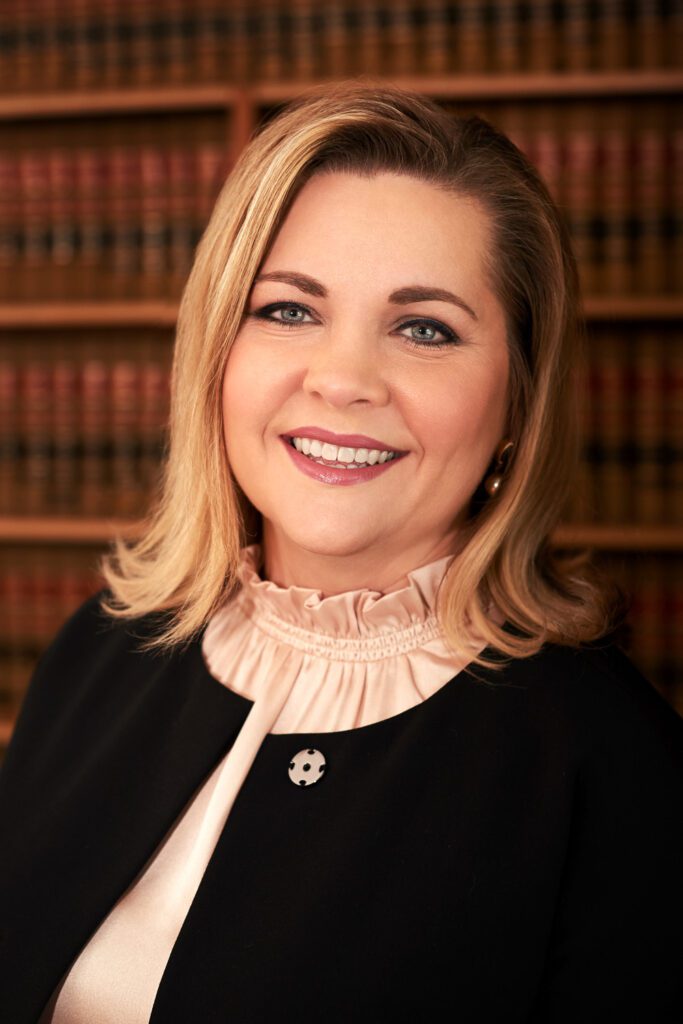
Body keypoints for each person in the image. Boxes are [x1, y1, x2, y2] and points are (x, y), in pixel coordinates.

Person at [0, 83, 681, 1024]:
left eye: (424, 328)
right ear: (216, 353)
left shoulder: (617, 771)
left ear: (520, 402)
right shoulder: (99, 649)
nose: (343, 380)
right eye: (287, 311)